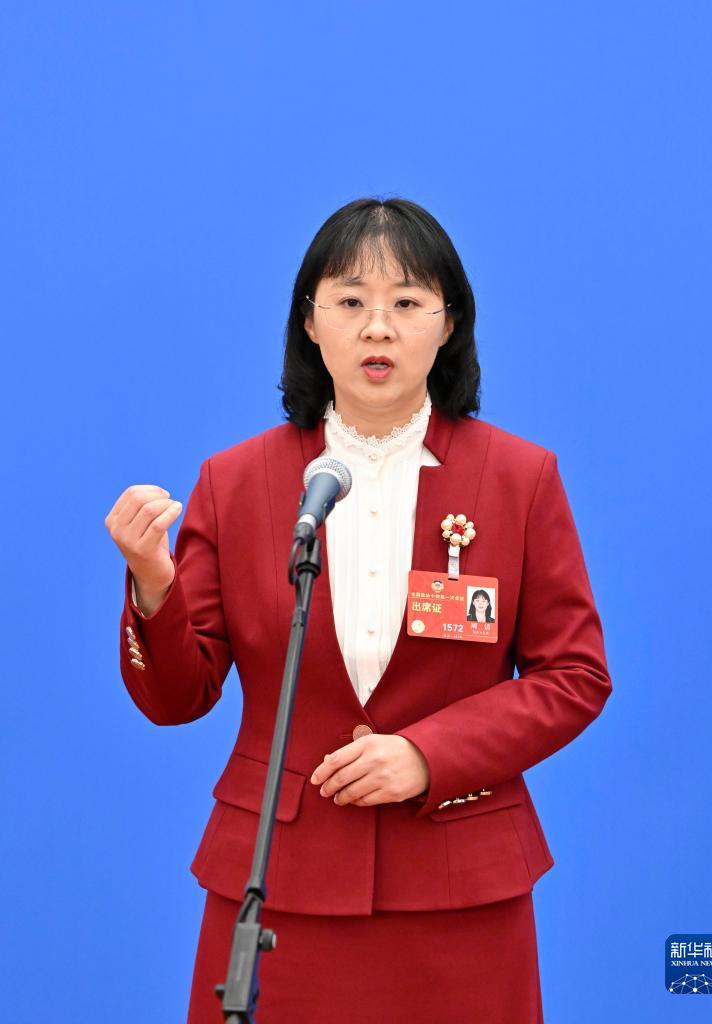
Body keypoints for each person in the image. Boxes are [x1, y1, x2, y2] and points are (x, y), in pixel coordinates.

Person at [105, 196, 612, 1023]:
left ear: (448, 323)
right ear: (309, 322)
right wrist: (154, 586)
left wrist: (427, 753)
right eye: (349, 301)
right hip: (280, 883)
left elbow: (574, 676)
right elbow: (176, 698)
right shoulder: (236, 482)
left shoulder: (520, 479)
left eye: (406, 302)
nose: (377, 328)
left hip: (460, 888)